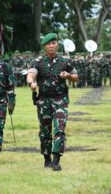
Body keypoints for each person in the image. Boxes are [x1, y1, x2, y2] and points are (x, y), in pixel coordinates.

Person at [27, 33, 78, 171]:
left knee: (59, 129)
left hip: (60, 100)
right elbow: (31, 74)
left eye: (54, 43)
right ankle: (47, 158)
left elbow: (76, 76)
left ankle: (56, 160)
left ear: (57, 44)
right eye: (49, 44)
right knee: (45, 132)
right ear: (44, 46)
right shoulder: (37, 61)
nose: (51, 46)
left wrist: (68, 76)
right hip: (43, 101)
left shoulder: (65, 61)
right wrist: (32, 82)